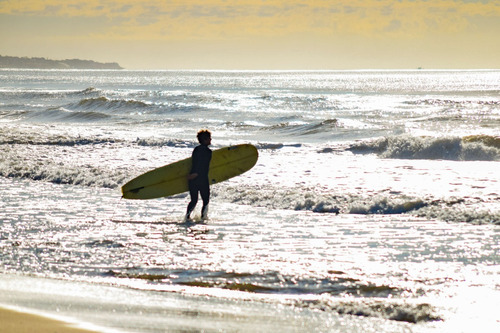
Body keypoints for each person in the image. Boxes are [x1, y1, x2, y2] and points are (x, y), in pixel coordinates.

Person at [185, 129, 212, 221]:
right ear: (205, 139)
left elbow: (195, 163)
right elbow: (202, 166)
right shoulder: (208, 152)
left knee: (194, 200)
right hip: (202, 179)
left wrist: (192, 175)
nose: (211, 140)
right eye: (209, 138)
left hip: (192, 178)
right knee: (205, 201)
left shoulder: (196, 149)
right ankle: (203, 218)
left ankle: (187, 218)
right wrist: (196, 174)